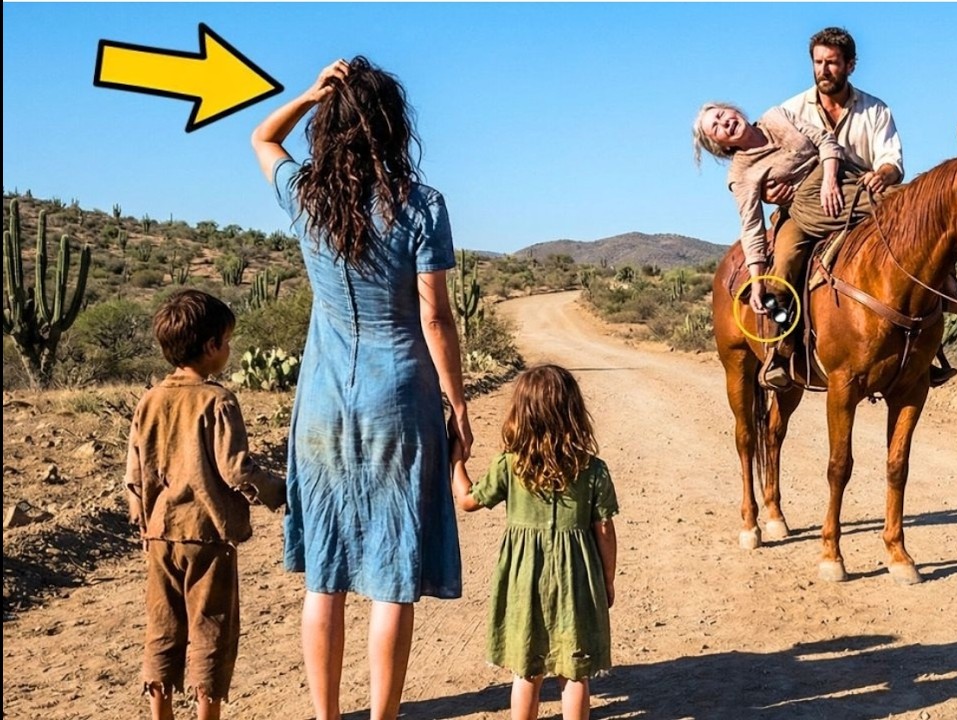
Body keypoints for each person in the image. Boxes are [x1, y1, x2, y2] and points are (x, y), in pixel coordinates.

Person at [250, 56, 469, 720]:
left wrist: (308, 93)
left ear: (328, 124)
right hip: (399, 398)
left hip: (320, 403)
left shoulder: (306, 196)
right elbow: (434, 316)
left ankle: (325, 715)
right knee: (391, 575)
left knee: (327, 573)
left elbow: (262, 139)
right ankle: (383, 715)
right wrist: (458, 404)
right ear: (392, 124)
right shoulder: (421, 206)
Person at [771, 26, 957, 387]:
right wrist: (776, 190)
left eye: (832, 63)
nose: (823, 70)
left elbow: (892, 162)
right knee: (785, 258)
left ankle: (926, 346)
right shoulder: (790, 111)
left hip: (864, 200)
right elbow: (769, 165)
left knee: (924, 237)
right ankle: (780, 348)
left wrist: (882, 173)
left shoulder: (875, 109)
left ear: (850, 65)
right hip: (808, 204)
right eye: (818, 62)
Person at [124, 289, 285, 720]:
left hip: (160, 534)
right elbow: (237, 470)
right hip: (208, 534)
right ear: (212, 346)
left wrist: (142, 520)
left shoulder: (149, 400)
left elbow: (134, 473)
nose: (230, 350)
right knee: (211, 629)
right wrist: (281, 493)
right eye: (228, 341)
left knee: (162, 628)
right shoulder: (218, 401)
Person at [452, 365, 619, 720]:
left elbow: (467, 500)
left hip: (524, 581)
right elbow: (604, 530)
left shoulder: (510, 466)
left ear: (521, 415)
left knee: (527, 669)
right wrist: (607, 579)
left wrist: (456, 462)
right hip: (576, 582)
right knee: (574, 673)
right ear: (574, 413)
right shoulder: (593, 470)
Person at [693, 101, 873, 388]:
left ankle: (927, 335)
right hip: (798, 212)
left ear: (734, 110)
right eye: (715, 127)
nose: (724, 123)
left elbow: (825, 140)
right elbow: (751, 225)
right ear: (720, 145)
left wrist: (828, 180)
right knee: (786, 260)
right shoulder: (741, 174)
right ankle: (780, 349)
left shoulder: (777, 116)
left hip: (839, 181)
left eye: (721, 115)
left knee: (901, 223)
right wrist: (756, 279)